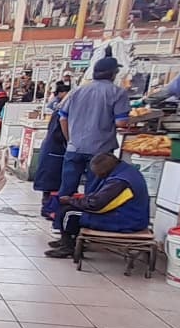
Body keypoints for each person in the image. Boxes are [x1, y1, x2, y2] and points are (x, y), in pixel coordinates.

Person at [55, 56, 129, 230]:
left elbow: (62, 118)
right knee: (93, 191)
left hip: (74, 148)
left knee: (67, 188)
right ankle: (85, 226)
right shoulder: (117, 93)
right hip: (100, 151)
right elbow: (121, 123)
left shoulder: (77, 91)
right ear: (113, 74)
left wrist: (70, 139)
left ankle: (60, 224)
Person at [46, 153, 151, 258]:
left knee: (69, 213)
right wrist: (80, 200)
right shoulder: (125, 171)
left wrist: (71, 200)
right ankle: (70, 241)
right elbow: (102, 198)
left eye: (99, 174)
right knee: (73, 208)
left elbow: (96, 205)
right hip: (129, 215)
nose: (97, 177)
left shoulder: (119, 182)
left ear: (105, 171)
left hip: (126, 222)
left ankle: (68, 247)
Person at [35, 82, 72, 220]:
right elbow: (57, 133)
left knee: (52, 182)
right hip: (54, 150)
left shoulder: (60, 110)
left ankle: (49, 208)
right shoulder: (60, 113)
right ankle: (48, 208)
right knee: (51, 182)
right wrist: (69, 139)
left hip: (54, 149)